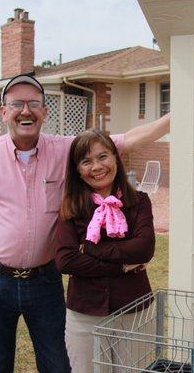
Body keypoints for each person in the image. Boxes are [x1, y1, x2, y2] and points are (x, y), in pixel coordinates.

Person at [0, 74, 169, 373]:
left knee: (57, 364)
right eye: (17, 104)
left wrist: (178, 113)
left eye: (34, 104)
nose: (26, 111)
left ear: (45, 112)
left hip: (45, 280)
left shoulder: (66, 149)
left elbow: (126, 141)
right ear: (3, 112)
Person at [54, 129, 155, 373]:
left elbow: (144, 249)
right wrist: (121, 265)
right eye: (86, 161)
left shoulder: (139, 201)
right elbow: (66, 260)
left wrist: (89, 248)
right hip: (85, 313)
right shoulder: (72, 206)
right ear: (77, 169)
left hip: (134, 310)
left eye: (103, 157)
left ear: (115, 158)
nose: (96, 167)